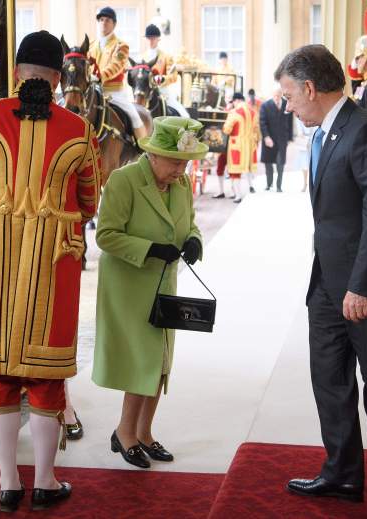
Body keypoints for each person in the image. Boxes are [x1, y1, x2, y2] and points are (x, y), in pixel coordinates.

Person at [0, 31, 101, 512]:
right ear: (57, 77)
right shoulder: (79, 129)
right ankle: (46, 481)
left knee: (1, 375)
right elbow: (89, 202)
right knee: (47, 378)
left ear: (15, 73)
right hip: (53, 267)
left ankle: (8, 482)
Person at [275, 45, 367, 502]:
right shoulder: (322, 134)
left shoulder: (366, 132)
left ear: (309, 87)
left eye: (288, 95)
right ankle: (340, 473)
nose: (286, 105)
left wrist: (360, 285)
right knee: (330, 378)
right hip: (326, 284)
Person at [92, 116, 206, 469]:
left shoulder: (181, 184)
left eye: (185, 162)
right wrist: (152, 249)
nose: (181, 169)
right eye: (175, 162)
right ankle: (124, 433)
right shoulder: (124, 180)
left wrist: (194, 240)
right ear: (153, 155)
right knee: (143, 360)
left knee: (159, 363)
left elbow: (191, 222)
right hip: (129, 286)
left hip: (164, 285)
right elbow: (105, 235)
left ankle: (144, 432)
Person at [90, 6, 149, 140]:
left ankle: (144, 148)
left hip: (114, 93)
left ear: (114, 24)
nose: (104, 23)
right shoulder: (91, 45)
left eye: (107, 20)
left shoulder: (121, 45)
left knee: (134, 115)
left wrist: (99, 76)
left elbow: (116, 66)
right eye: (101, 20)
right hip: (94, 90)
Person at [143, 24, 190, 118]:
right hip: (145, 94)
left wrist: (162, 79)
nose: (150, 41)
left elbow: (173, 76)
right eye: (148, 38)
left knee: (185, 116)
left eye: (153, 38)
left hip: (162, 93)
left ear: (158, 39)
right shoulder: (142, 58)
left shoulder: (166, 56)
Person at [223, 92, 260, 202]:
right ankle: (249, 186)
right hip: (249, 145)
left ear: (236, 101)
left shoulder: (234, 112)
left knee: (235, 171)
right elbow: (257, 130)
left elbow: (227, 129)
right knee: (247, 168)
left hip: (236, 145)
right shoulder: (253, 112)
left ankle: (238, 195)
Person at [259, 86, 293, 192]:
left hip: (282, 139)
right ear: (272, 95)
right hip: (269, 139)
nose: (277, 98)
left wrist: (289, 138)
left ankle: (279, 186)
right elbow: (262, 122)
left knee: (280, 163)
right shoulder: (265, 106)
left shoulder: (287, 105)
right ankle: (269, 184)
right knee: (268, 163)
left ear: (281, 95)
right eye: (275, 96)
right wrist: (266, 137)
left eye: (279, 96)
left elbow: (290, 122)